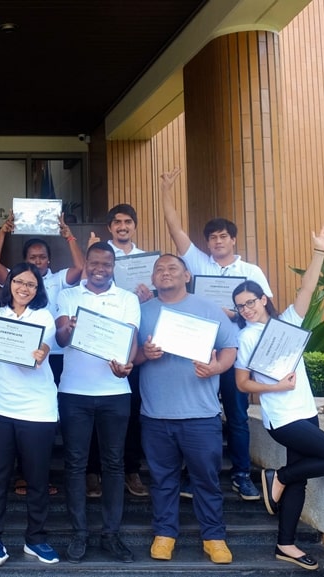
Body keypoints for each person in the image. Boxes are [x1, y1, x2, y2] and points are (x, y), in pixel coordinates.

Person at [233, 223, 324, 571]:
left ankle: (286, 544)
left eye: (250, 302)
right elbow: (242, 384)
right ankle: (278, 477)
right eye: (239, 307)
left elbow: (307, 288)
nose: (246, 310)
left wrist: (319, 252)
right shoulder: (246, 339)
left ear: (263, 299)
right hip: (282, 418)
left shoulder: (287, 322)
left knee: (300, 477)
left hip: (305, 413)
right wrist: (275, 387)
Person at [160, 168, 267, 501]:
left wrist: (235, 314)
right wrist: (166, 190)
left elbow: (266, 312)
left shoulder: (251, 271)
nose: (217, 242)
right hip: (198, 350)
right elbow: (174, 227)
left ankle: (240, 474)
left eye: (223, 237)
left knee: (236, 415)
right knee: (196, 415)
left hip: (234, 352)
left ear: (233, 239)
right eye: (212, 238)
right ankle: (193, 475)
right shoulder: (198, 261)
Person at [134, 254, 238, 564]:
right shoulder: (142, 312)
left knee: (206, 479)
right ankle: (165, 534)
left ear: (187, 275)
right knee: (162, 479)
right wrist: (144, 353)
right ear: (152, 279)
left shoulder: (208, 309)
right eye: (159, 269)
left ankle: (214, 537)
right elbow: (131, 357)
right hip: (155, 415)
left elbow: (229, 349)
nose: (165, 273)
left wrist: (215, 367)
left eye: (172, 268)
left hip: (201, 414)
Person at [0, 212, 83, 495]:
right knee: (13, 424)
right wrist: (3, 231)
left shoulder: (60, 279)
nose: (37, 261)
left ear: (48, 260)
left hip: (53, 353)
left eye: (42, 257)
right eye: (32, 257)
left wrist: (68, 234)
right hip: (16, 354)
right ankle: (19, 475)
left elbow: (81, 266)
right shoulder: (18, 281)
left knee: (43, 420)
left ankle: (40, 474)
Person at [55, 242, 140, 563]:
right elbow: (61, 339)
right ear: (86, 264)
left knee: (114, 465)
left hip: (116, 392)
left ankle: (111, 534)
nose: (99, 269)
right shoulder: (69, 295)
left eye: (106, 263)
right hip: (74, 392)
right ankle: (79, 533)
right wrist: (68, 327)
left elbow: (130, 339)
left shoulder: (127, 299)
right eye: (94, 263)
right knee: (75, 465)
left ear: (114, 265)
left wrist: (127, 365)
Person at [0, 263, 60, 569]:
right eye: (19, 282)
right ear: (9, 283)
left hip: (37, 410)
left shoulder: (43, 317)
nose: (24, 288)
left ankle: (35, 538)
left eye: (31, 284)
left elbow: (43, 346)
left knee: (38, 478)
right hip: (0, 407)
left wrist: (41, 352)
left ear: (38, 290)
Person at [87, 203, 151, 498]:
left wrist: (150, 297)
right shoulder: (99, 253)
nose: (123, 226)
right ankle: (92, 472)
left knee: (131, 412)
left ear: (134, 226)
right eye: (117, 222)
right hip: (92, 351)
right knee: (91, 415)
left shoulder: (147, 260)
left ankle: (131, 469)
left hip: (130, 347)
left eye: (128, 221)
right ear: (109, 227)